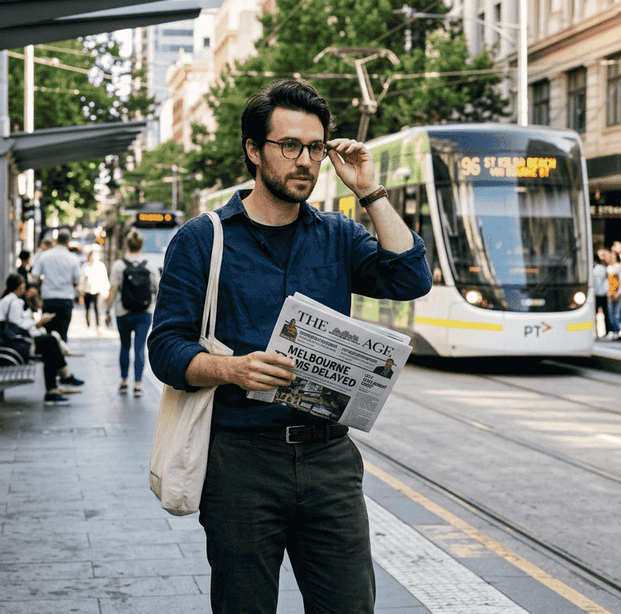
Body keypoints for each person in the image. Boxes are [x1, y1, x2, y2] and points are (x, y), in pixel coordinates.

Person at [148, 79, 431, 614]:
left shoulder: (338, 235)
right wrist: (232, 370)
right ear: (254, 150)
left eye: (317, 148)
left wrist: (369, 191)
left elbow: (411, 278)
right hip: (240, 462)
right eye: (291, 146)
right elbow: (165, 350)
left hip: (329, 459)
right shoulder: (202, 239)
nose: (307, 161)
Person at [0, 274, 80, 404]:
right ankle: (60, 380)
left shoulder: (9, 300)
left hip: (8, 344)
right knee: (50, 342)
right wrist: (38, 323)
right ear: (20, 287)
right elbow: (17, 326)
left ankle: (57, 384)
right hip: (11, 347)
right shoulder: (14, 302)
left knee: (50, 345)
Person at [107, 230, 159, 397]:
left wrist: (107, 311)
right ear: (141, 245)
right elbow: (158, 290)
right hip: (145, 312)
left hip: (123, 311)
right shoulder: (150, 265)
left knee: (124, 346)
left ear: (126, 245)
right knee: (139, 347)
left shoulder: (118, 265)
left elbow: (113, 290)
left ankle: (123, 381)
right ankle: (137, 384)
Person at [32, 230, 82, 342]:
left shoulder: (44, 256)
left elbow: (35, 276)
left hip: (48, 298)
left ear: (56, 240)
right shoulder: (73, 258)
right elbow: (77, 279)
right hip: (66, 299)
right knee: (63, 333)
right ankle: (61, 355)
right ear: (68, 241)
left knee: (48, 333)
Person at [81, 248, 110, 333]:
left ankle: (98, 325)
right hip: (87, 291)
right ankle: (88, 326)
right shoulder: (86, 266)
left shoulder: (101, 266)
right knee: (87, 309)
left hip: (97, 290)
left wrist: (106, 291)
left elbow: (104, 279)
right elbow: (82, 280)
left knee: (97, 309)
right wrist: (81, 292)